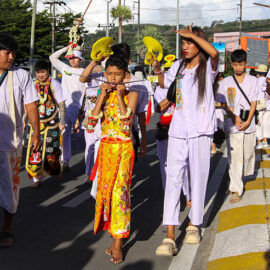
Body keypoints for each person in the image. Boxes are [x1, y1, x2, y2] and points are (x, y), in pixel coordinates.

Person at [153, 25, 219, 256]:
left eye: (190, 42)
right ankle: (170, 235)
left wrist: (194, 35)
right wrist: (156, 69)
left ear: (199, 43)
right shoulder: (178, 66)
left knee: (198, 177)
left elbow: (215, 53)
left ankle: (194, 224)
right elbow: (164, 85)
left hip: (200, 130)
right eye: (183, 42)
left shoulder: (207, 67)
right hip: (178, 131)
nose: (185, 46)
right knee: (173, 177)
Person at [89, 55, 138, 264]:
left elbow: (127, 123)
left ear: (125, 75)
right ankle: (113, 236)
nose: (112, 78)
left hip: (124, 149)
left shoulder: (133, 94)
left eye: (117, 74)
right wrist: (101, 97)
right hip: (106, 149)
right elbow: (90, 123)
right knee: (106, 195)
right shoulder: (102, 92)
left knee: (120, 195)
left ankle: (119, 243)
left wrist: (119, 97)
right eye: (109, 74)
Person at [0, 33, 40, 247]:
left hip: (10, 142)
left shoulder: (21, 75)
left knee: (10, 187)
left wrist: (35, 132)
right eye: (7, 52)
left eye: (14, 53)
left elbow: (31, 104)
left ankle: (6, 228)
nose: (12, 57)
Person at [217, 49, 259, 203]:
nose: (238, 68)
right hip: (232, 124)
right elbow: (222, 102)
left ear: (246, 64)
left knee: (247, 155)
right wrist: (232, 116)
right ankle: (236, 188)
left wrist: (248, 120)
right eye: (235, 65)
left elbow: (254, 102)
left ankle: (238, 179)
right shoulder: (226, 82)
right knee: (235, 158)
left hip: (249, 124)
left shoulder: (253, 81)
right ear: (231, 65)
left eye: (240, 64)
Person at [25, 60, 67, 188]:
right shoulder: (32, 84)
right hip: (36, 122)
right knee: (35, 149)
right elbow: (28, 104)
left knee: (52, 149)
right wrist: (24, 120)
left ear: (48, 71)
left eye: (42, 72)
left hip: (52, 121)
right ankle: (36, 178)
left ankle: (54, 170)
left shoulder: (54, 83)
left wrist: (63, 121)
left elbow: (61, 103)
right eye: (38, 72)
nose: (40, 75)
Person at [49, 47, 86, 171]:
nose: (72, 60)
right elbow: (52, 58)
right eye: (70, 58)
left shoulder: (86, 72)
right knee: (64, 134)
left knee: (82, 135)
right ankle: (65, 161)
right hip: (66, 108)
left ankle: (88, 155)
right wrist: (67, 48)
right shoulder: (65, 69)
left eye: (75, 58)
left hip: (81, 109)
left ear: (81, 60)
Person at [254, 64, 269, 149]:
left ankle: (258, 141)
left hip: (258, 104)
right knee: (265, 123)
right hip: (266, 104)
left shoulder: (257, 81)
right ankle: (265, 140)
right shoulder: (267, 81)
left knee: (258, 123)